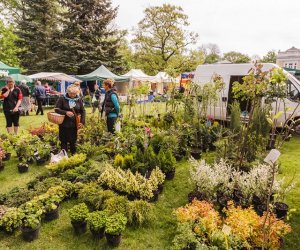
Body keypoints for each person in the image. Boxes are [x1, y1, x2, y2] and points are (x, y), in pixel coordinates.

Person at [55, 84, 85, 154]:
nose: (72, 95)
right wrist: (66, 112)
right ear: (67, 92)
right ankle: (64, 155)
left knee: (73, 141)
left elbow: (83, 111)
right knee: (63, 140)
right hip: (64, 123)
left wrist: (82, 122)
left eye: (74, 94)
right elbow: (56, 109)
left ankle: (73, 154)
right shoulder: (62, 98)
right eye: (71, 93)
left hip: (74, 124)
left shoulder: (79, 99)